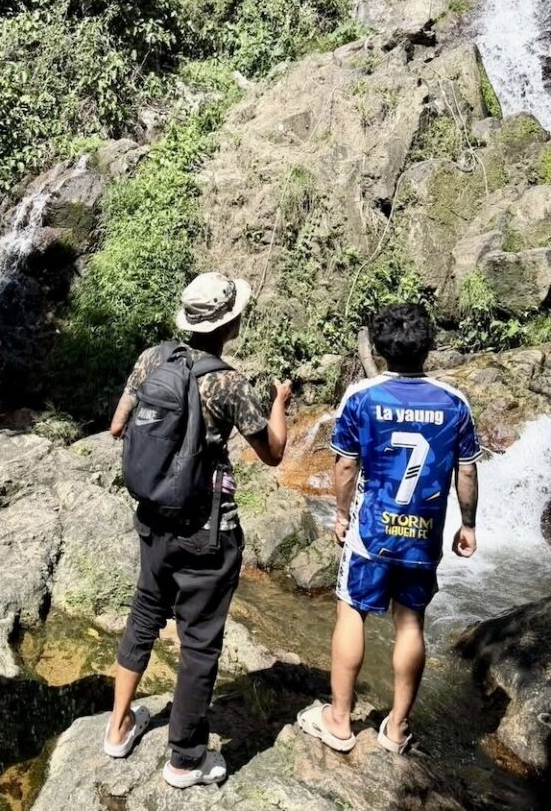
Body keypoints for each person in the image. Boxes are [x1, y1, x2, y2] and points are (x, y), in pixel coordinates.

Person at [104, 272, 292, 788]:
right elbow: (274, 453)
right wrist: (279, 401)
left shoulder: (152, 358)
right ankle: (185, 760)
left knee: (145, 615)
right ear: (229, 324)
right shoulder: (228, 382)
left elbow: (118, 426)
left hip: (152, 520)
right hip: (207, 532)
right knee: (200, 642)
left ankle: (118, 729)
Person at [298, 303, 481, 754]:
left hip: (372, 531)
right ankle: (397, 728)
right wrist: (469, 524)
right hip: (424, 533)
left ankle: (339, 721)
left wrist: (342, 514)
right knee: (411, 623)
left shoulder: (363, 396)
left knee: (352, 611)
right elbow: (467, 471)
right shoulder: (454, 402)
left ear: (380, 348)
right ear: (428, 346)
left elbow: (345, 466)